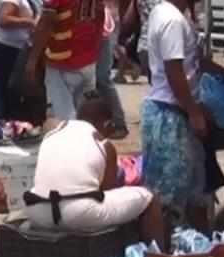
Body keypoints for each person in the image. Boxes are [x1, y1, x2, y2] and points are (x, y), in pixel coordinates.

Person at [10, 92, 166, 246]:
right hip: (78, 214)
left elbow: (49, 122)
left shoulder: (54, 129)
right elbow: (106, 193)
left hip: (37, 211)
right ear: (107, 125)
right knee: (149, 198)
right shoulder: (105, 145)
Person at [141, 0, 218, 229]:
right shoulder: (172, 20)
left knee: (192, 189)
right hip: (169, 114)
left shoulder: (169, 13)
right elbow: (174, 71)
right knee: (168, 194)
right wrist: (195, 112)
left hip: (173, 109)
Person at [29, 0, 105, 120]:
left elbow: (46, 21)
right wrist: (96, 45)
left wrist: (33, 59)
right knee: (86, 119)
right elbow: (100, 13)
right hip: (88, 58)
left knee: (63, 121)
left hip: (62, 60)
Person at [85, 0, 134, 138]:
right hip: (91, 26)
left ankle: (119, 121)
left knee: (103, 77)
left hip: (108, 24)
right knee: (93, 77)